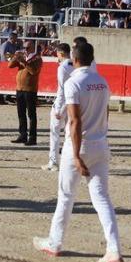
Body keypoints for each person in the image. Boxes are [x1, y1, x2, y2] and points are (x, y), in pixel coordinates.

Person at [33, 42, 123, 262]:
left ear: (74, 59)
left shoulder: (73, 82)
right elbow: (106, 114)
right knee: (102, 198)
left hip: (80, 146)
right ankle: (114, 249)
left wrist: (75, 154)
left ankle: (55, 242)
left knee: (66, 196)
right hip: (100, 144)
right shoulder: (102, 82)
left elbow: (74, 121)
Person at [43, 43, 74, 171]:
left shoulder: (62, 67)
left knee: (55, 133)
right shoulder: (75, 65)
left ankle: (53, 162)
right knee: (68, 134)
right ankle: (69, 162)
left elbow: (62, 90)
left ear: (61, 53)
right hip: (73, 104)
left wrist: (58, 108)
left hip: (63, 103)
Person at [8, 40, 42, 146]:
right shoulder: (23, 56)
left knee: (31, 114)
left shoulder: (37, 58)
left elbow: (33, 71)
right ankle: (23, 135)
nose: (25, 50)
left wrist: (25, 62)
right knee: (21, 113)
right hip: (20, 89)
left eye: (27, 48)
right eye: (24, 48)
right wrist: (16, 57)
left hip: (30, 90)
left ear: (32, 48)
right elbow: (10, 65)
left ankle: (32, 138)